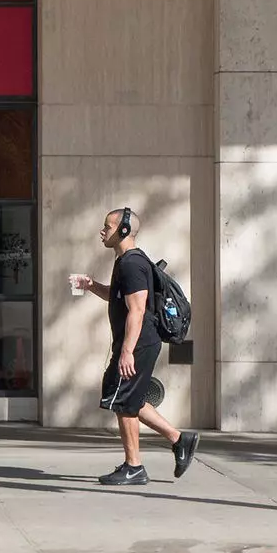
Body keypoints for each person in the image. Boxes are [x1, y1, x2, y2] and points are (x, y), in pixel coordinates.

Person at [67, 207, 198, 486]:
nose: (102, 232)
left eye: (108, 227)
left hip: (137, 344)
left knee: (124, 402)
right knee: (130, 399)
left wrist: (127, 351)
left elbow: (137, 310)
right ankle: (179, 439)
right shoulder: (124, 262)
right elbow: (118, 299)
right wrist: (91, 285)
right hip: (135, 343)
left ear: (123, 230)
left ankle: (134, 466)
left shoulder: (131, 264)